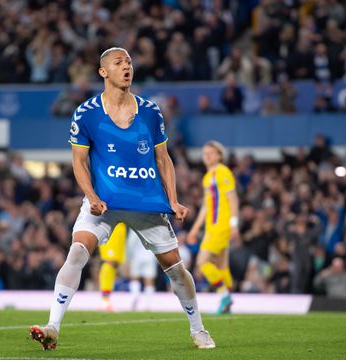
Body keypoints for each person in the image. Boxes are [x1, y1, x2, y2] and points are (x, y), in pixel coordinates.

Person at [29, 47, 215, 350]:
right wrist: (91, 196)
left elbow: (163, 159)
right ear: (104, 72)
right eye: (119, 63)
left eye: (129, 61)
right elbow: (79, 162)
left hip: (146, 201)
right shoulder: (87, 113)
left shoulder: (151, 112)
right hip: (104, 203)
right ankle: (53, 326)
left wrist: (174, 200)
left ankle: (199, 329)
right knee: (77, 251)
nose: (127, 66)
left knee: (175, 267)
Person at [188, 141, 239, 314]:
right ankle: (227, 303)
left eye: (211, 152)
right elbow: (206, 207)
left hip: (221, 225)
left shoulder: (223, 172)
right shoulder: (208, 177)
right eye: (204, 153)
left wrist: (234, 224)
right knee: (221, 265)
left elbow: (233, 199)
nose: (207, 156)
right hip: (212, 226)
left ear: (219, 155)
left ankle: (224, 295)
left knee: (202, 262)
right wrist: (195, 229)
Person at [127, 227, 158, 311]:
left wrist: (128, 257)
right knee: (149, 280)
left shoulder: (134, 225)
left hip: (136, 256)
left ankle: (135, 298)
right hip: (149, 256)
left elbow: (130, 242)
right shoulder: (151, 226)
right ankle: (148, 304)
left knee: (134, 278)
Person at [98, 222, 126, 312]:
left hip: (121, 225)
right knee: (109, 263)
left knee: (115, 264)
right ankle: (104, 300)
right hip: (110, 224)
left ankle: (107, 300)